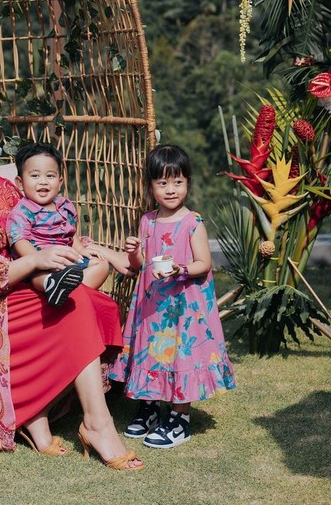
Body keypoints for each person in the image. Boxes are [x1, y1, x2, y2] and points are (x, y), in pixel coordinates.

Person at [0, 100, 144, 470]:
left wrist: (107, 253)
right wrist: (35, 261)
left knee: (88, 301)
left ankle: (60, 415)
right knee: (79, 303)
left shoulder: (5, 189)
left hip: (13, 287)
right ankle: (97, 425)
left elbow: (47, 236)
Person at [109, 144, 236, 449]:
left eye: (177, 182)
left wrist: (181, 268)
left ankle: (180, 418)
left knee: (181, 355)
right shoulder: (147, 221)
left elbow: (205, 263)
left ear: (188, 183)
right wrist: (133, 253)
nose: (170, 189)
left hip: (184, 306)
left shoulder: (193, 222)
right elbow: (140, 266)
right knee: (151, 353)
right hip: (153, 306)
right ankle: (151, 407)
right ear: (150, 186)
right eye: (162, 182)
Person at [6, 142, 118, 307]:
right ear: (20, 182)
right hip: (41, 263)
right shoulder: (21, 212)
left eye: (49, 176)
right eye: (35, 176)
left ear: (59, 183)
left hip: (68, 261)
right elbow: (19, 241)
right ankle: (54, 285)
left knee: (101, 265)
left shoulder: (64, 206)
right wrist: (37, 259)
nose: (43, 182)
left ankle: (68, 291)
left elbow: (71, 233)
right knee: (39, 276)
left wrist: (81, 251)